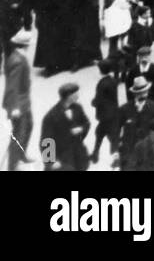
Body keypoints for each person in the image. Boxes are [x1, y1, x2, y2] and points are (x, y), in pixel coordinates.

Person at [39, 82, 91, 172]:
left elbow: (86, 123)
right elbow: (46, 140)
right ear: (68, 96)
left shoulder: (78, 108)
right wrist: (51, 162)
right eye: (75, 94)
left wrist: (81, 129)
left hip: (79, 154)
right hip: (63, 157)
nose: (78, 96)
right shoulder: (51, 116)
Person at [4, 31, 33, 170]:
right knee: (18, 134)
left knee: (29, 126)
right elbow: (12, 86)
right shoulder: (18, 61)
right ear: (25, 45)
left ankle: (21, 155)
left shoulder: (18, 57)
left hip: (24, 101)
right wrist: (15, 107)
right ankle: (12, 165)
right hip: (18, 104)